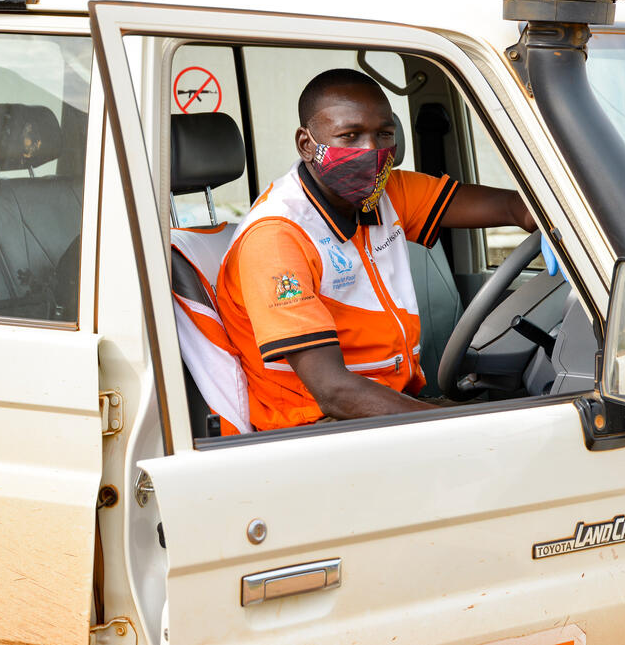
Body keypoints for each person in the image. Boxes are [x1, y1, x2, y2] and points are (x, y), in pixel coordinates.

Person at [216, 68, 543, 430]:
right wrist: (456, 424)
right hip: (312, 427)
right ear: (306, 144)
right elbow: (334, 391)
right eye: (349, 135)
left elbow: (517, 208)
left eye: (384, 134)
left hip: (385, 406)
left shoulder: (386, 194)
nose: (371, 150)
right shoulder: (277, 237)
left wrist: (557, 217)